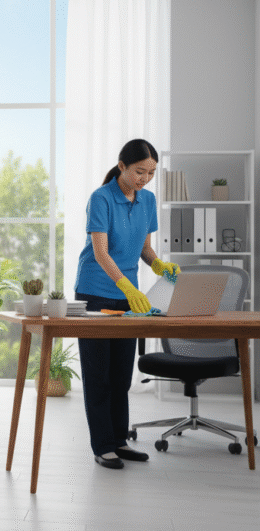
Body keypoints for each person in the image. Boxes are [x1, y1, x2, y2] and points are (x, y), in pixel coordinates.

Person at [73, 138, 180, 470]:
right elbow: (102, 252)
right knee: (99, 374)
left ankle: (120, 440)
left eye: (150, 173)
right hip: (96, 291)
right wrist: (123, 284)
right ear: (122, 166)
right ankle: (103, 446)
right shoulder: (101, 198)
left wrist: (159, 265)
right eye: (139, 171)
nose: (144, 179)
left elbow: (143, 249)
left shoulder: (147, 201)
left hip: (128, 295)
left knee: (121, 374)